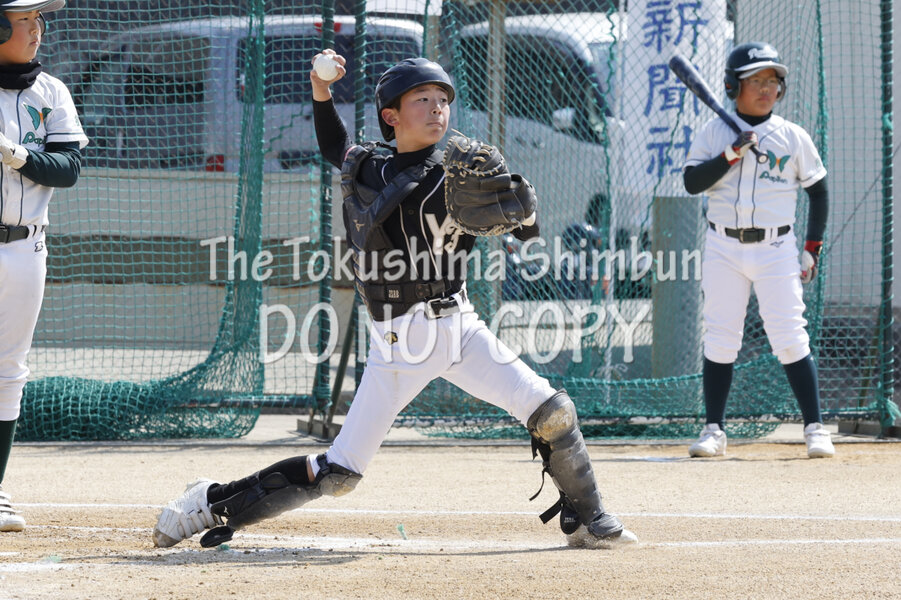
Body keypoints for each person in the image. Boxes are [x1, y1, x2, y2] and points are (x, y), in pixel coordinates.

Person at [152, 52, 637, 549]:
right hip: (401, 344)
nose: (437, 108)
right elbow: (334, 145)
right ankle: (209, 502)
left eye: (443, 99)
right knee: (339, 472)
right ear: (391, 116)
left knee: (553, 412)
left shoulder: (458, 177)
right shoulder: (371, 169)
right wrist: (321, 89)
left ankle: (590, 518)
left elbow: (526, 233)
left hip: (462, 328)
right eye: (422, 99)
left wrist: (524, 212)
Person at [682, 42, 834, 459]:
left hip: (776, 247)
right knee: (721, 335)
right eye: (756, 80)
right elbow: (692, 183)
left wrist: (812, 247)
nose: (767, 88)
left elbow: (819, 192)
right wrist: (731, 154)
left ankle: (815, 427)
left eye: (772, 81)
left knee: (789, 334)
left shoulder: (792, 136)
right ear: (733, 86)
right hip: (723, 245)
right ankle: (714, 430)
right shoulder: (715, 132)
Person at [0, 0, 89, 532]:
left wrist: (14, 155)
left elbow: (68, 168)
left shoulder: (50, 91)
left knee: (9, 369)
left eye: (39, 19)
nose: (37, 29)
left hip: (25, 246)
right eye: (24, 20)